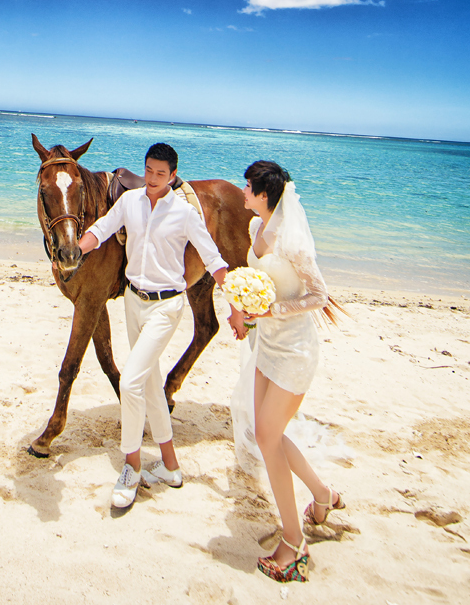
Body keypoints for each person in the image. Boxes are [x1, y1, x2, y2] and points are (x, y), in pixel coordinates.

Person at [76, 142, 240, 509]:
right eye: (148, 171)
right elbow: (101, 229)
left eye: (160, 174)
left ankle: (132, 466)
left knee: (131, 382)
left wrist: (238, 299)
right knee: (150, 386)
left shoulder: (184, 213)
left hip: (166, 307)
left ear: (173, 176)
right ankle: (169, 466)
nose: (152, 179)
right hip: (133, 302)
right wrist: (76, 248)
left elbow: (213, 259)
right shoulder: (130, 202)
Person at [229, 160, 345, 583]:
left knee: (265, 436)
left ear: (264, 194)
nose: (242, 192)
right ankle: (322, 495)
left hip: (295, 350)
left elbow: (319, 294)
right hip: (268, 345)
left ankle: (294, 540)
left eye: (247, 187)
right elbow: (257, 280)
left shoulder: (292, 242)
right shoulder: (254, 230)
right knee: (268, 433)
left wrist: (270, 309)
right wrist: (244, 313)